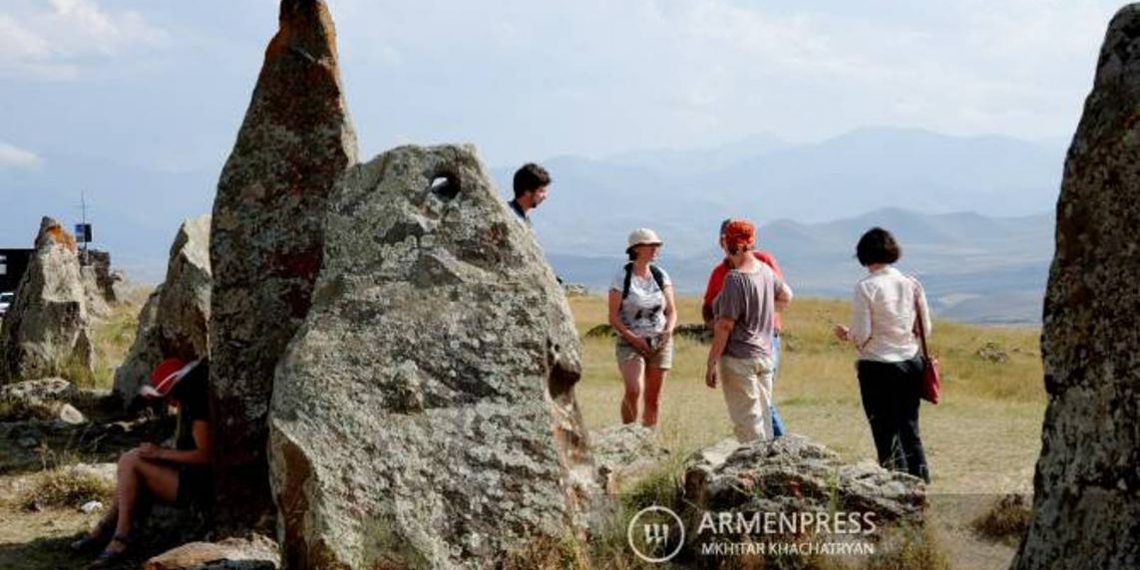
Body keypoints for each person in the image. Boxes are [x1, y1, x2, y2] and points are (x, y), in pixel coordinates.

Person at [71, 358, 212, 566]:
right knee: (130, 458)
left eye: (169, 395)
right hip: (185, 475)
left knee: (130, 462)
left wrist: (160, 454)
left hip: (196, 485)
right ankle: (107, 531)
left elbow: (206, 455)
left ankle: (118, 536)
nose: (169, 402)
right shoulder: (188, 407)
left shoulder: (198, 412)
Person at [833, 227, 932, 483]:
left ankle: (895, 485)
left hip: (877, 365)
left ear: (864, 255)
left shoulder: (866, 287)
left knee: (884, 430)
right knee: (910, 428)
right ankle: (921, 480)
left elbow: (862, 333)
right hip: (911, 361)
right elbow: (925, 329)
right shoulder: (911, 283)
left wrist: (848, 334)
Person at [705, 220, 793, 442]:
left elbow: (725, 325)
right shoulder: (765, 271)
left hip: (739, 359)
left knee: (749, 425)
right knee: (764, 420)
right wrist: (764, 314)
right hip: (765, 354)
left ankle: (754, 473)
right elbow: (786, 296)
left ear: (727, 242)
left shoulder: (735, 278)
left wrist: (712, 361)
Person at [608, 228, 677, 428]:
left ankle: (649, 441)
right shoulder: (622, 277)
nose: (656, 249)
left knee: (653, 398)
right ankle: (628, 435)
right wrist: (633, 339)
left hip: (660, 342)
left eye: (657, 245)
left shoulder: (661, 275)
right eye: (651, 245)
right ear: (637, 249)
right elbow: (613, 317)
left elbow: (672, 311)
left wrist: (668, 332)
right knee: (634, 388)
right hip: (631, 342)